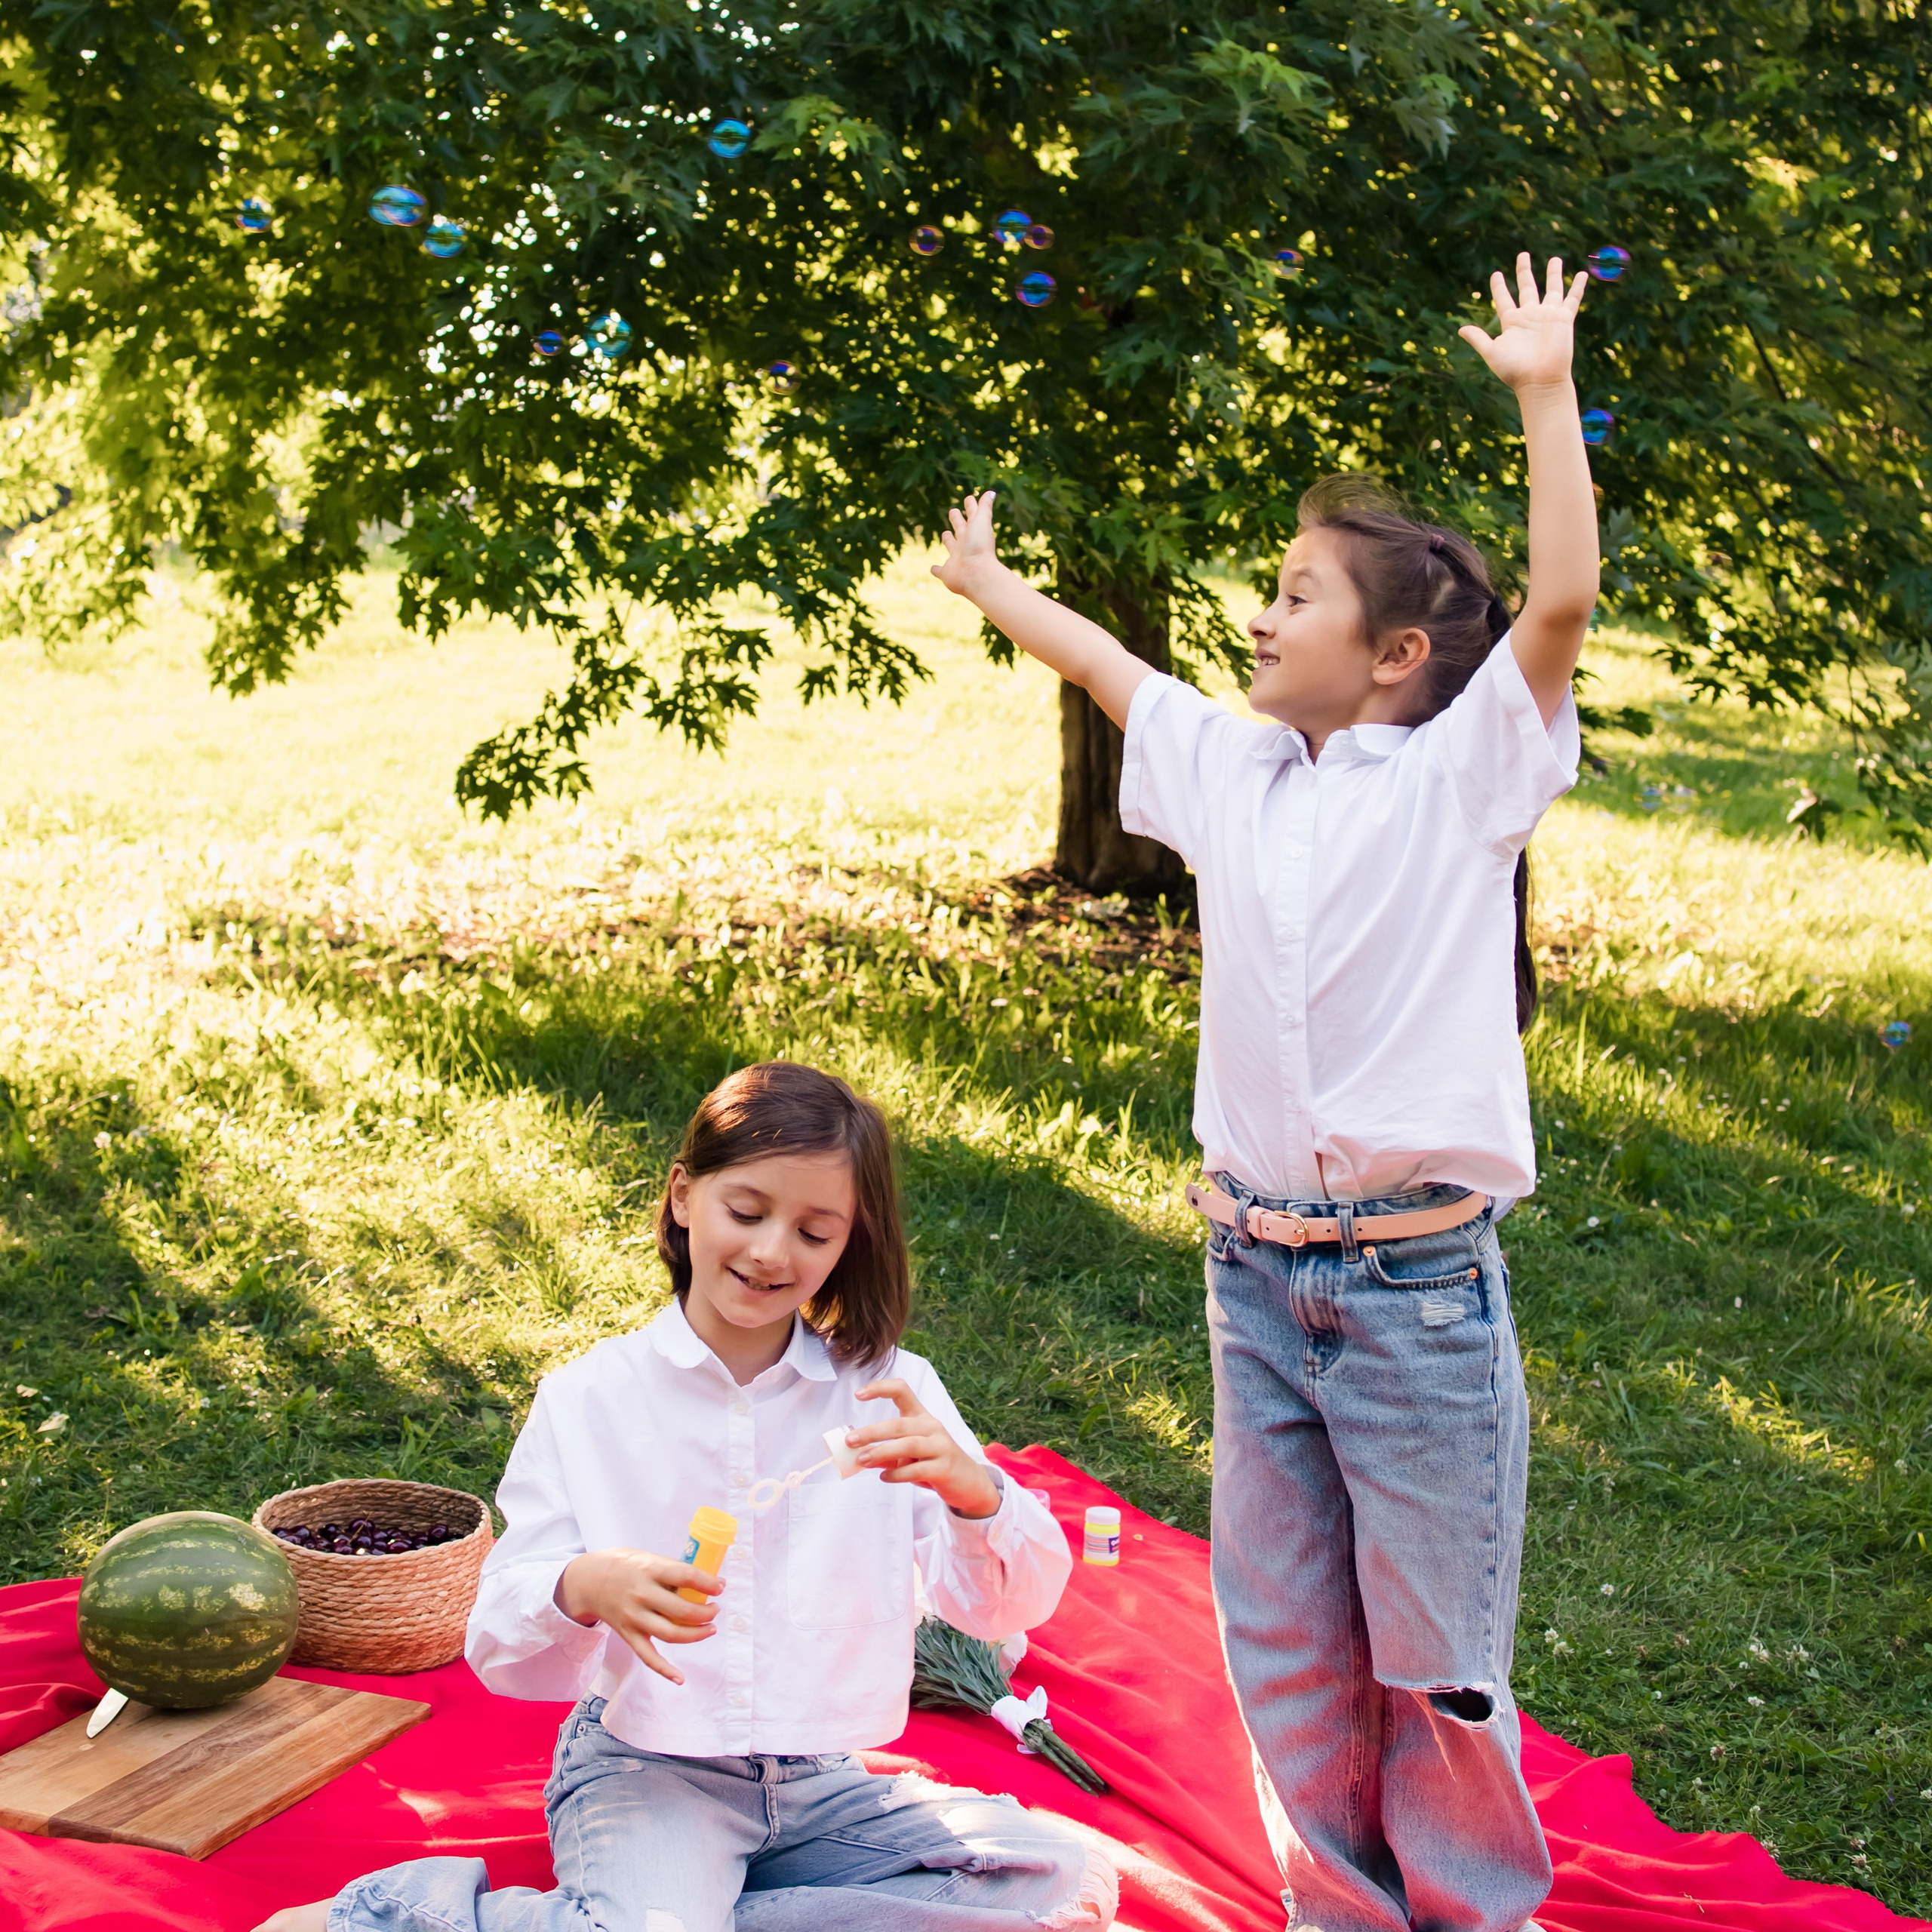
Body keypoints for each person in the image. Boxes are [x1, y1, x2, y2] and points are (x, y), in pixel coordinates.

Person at [930, 254, 1597, 1932]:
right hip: (1251, 1277)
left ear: (1389, 654)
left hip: (1412, 1295)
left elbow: (1559, 608)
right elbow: (1106, 670)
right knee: (1286, 1635)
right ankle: (1336, 1911)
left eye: (1293, 592)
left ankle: (1464, 1914)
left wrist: (1537, 391)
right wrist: (990, 585)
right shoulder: (1232, 771)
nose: (1258, 610)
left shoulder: (1458, 780)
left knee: (1432, 1661)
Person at [259, 1060, 1111, 1932]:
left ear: (851, 1241)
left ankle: (688, 1915)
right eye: (746, 1212)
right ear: (681, 1196)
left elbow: (1009, 1603)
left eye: (815, 1232)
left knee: (1052, 1875)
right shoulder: (591, 1397)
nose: (772, 1251)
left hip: (817, 1779)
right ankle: (392, 1915)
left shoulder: (892, 1392)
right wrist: (585, 1585)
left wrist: (975, 1496)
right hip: (645, 1767)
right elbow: (499, 1635)